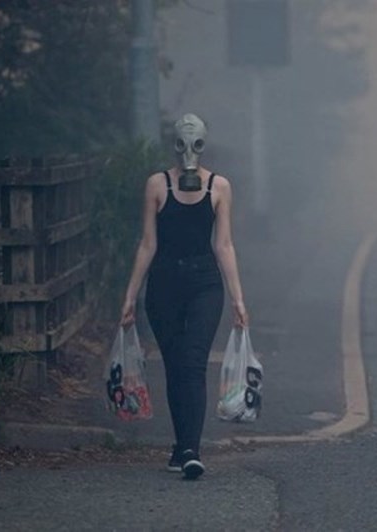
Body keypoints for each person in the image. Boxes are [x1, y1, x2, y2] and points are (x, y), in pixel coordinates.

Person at [120, 113, 249, 480]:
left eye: (196, 144)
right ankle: (181, 445)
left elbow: (224, 245)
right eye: (182, 144)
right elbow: (147, 244)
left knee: (193, 362)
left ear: (204, 146)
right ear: (174, 146)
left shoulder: (219, 187)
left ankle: (191, 449)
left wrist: (239, 299)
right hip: (163, 287)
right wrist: (129, 297)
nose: (188, 152)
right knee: (175, 365)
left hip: (205, 285)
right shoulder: (157, 186)